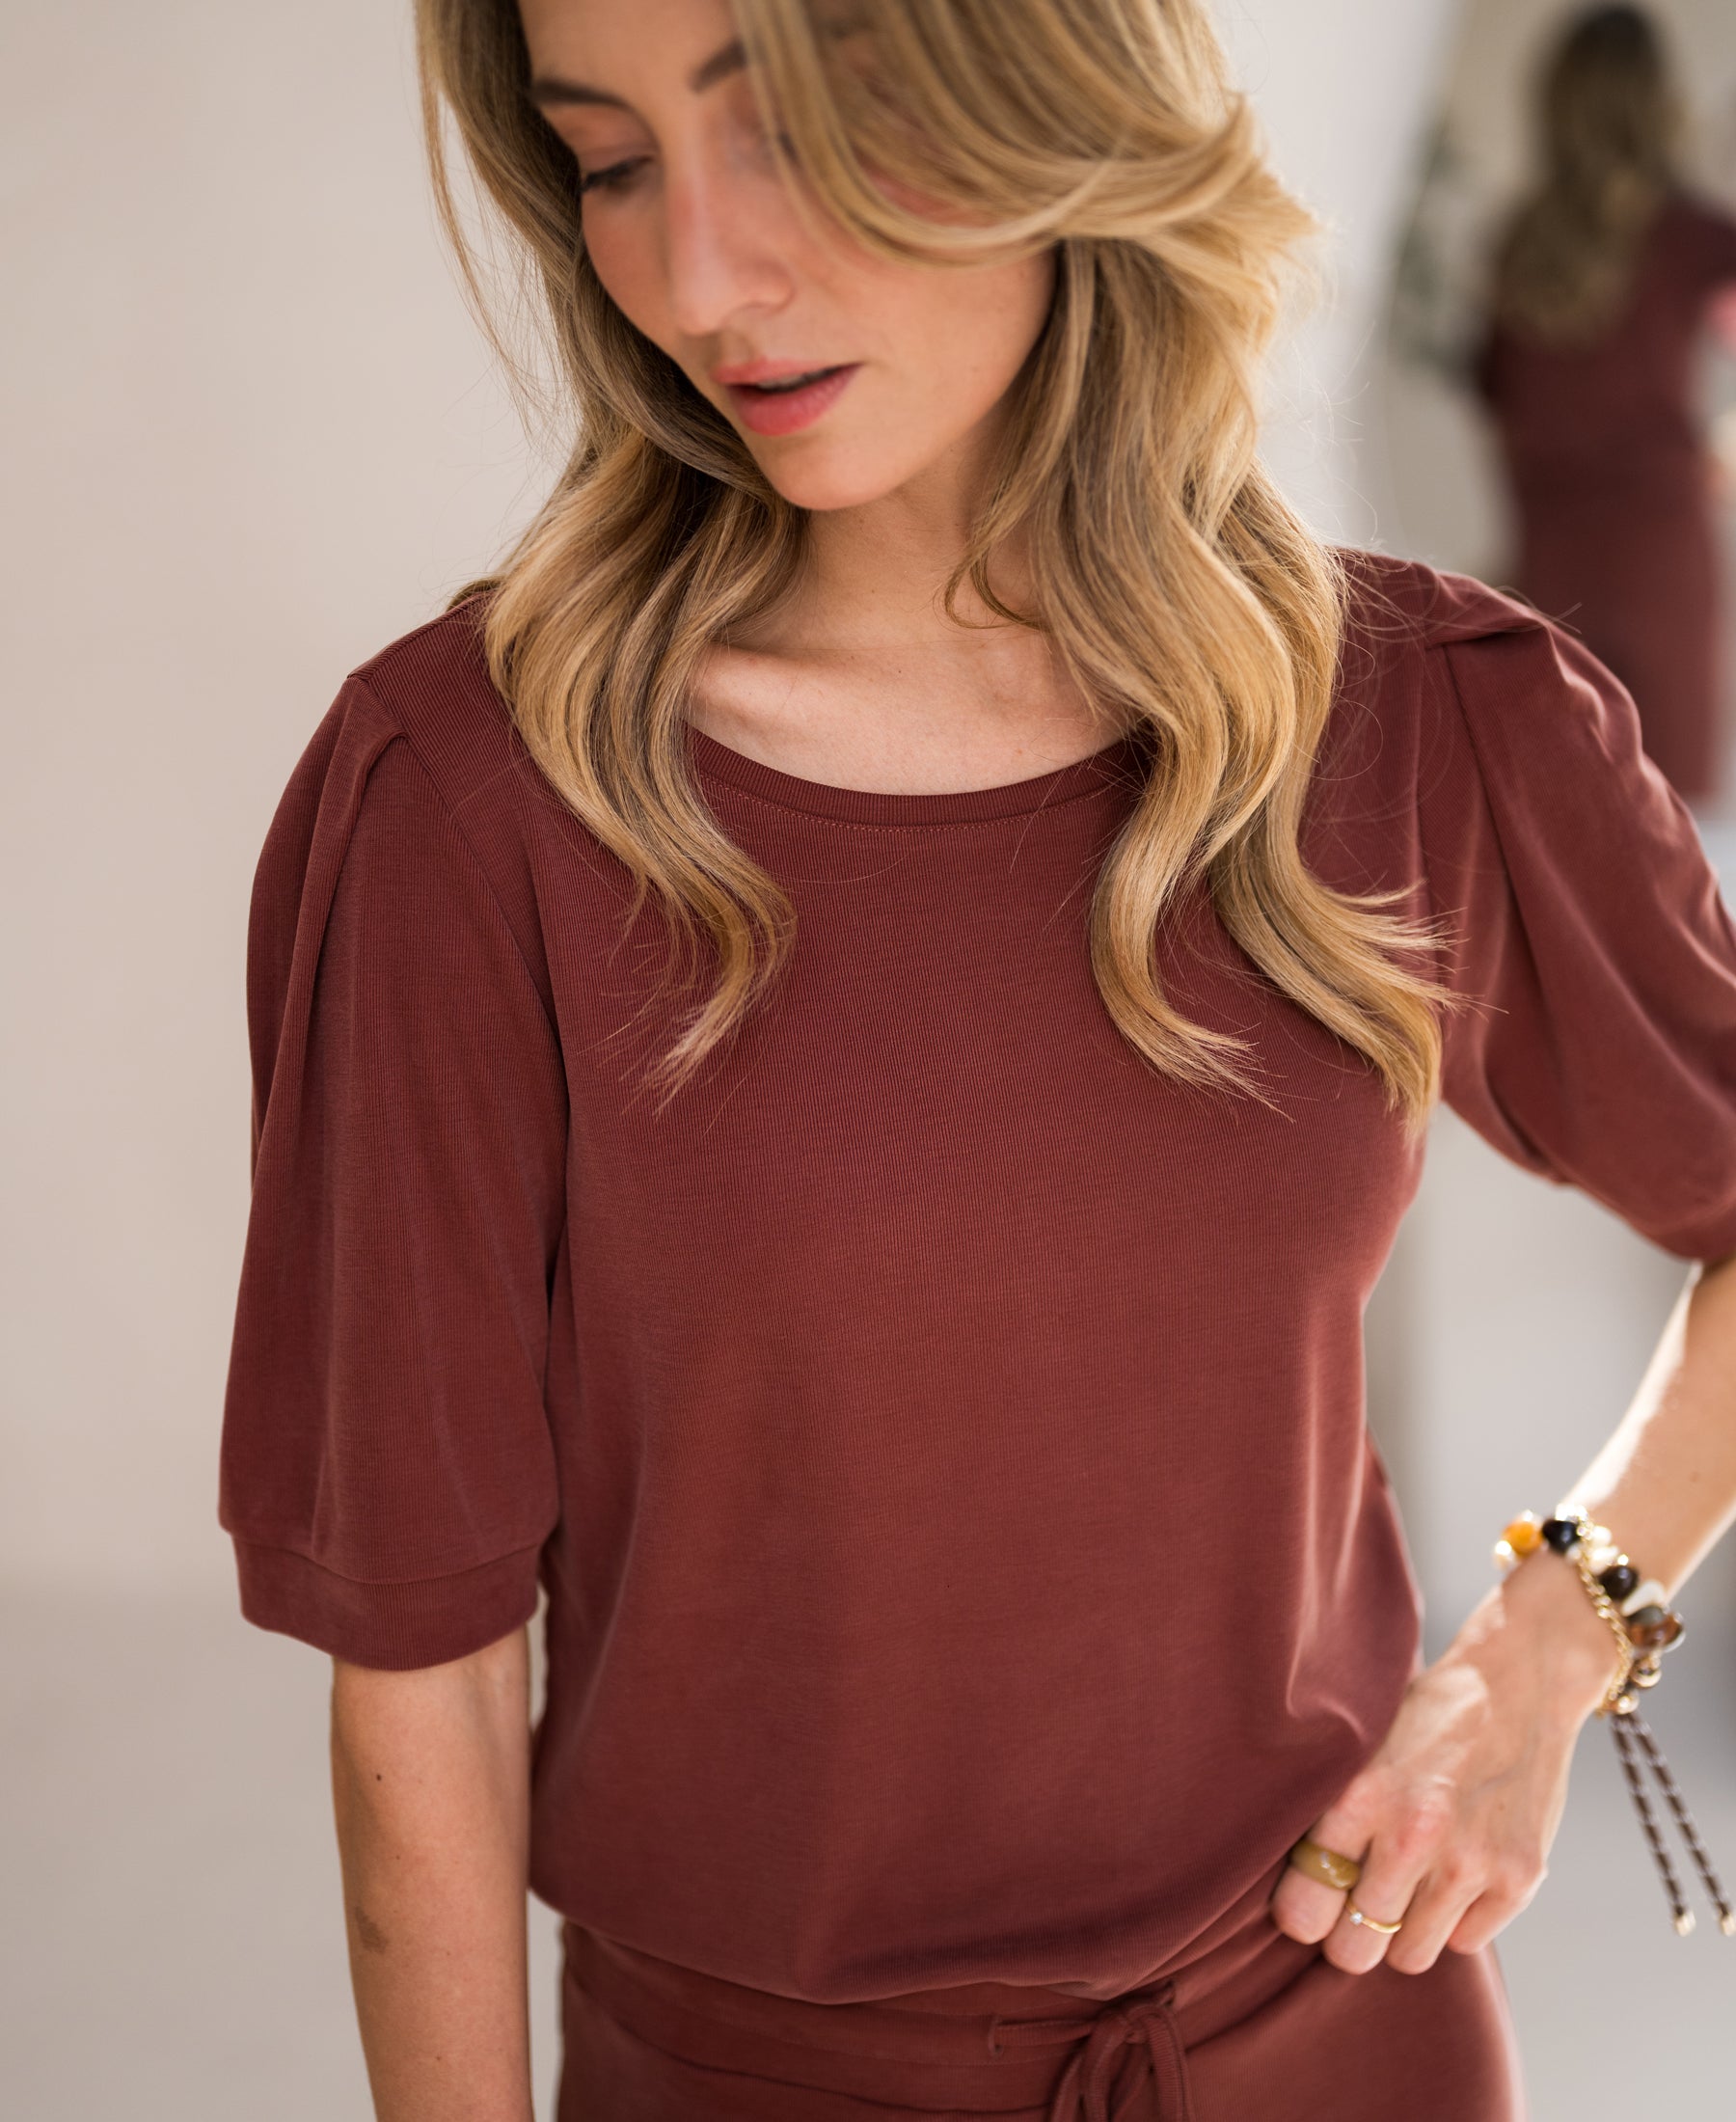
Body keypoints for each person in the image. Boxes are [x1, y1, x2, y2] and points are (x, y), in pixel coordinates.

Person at [217, 2, 1736, 2115]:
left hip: (1338, 2036)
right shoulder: (472, 805)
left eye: (798, 138)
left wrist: (1555, 1636)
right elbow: (428, 1684)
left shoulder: (1419, 715)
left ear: (1048, 106)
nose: (699, 276)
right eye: (615, 159)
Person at [1475, 4, 1736, 804]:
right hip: (1663, 560)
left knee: (1559, 829)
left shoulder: (1517, 245)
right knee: (1669, 835)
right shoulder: (1697, 237)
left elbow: (1502, 417)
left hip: (1552, 565)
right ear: (1658, 105)